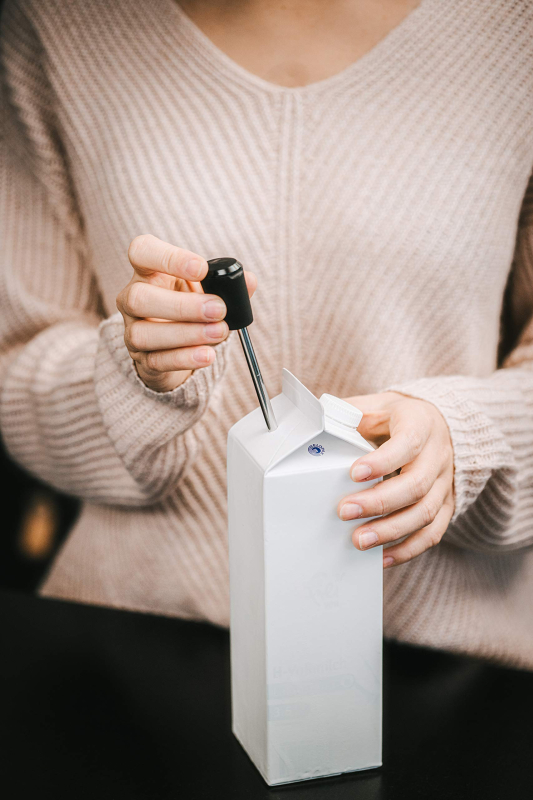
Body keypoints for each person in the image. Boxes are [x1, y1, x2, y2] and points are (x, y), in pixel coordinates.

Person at [1, 0, 532, 668]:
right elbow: (15, 360)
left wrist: (467, 439)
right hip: (133, 662)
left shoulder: (516, 30)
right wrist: (130, 383)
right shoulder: (56, 24)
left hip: (450, 676)